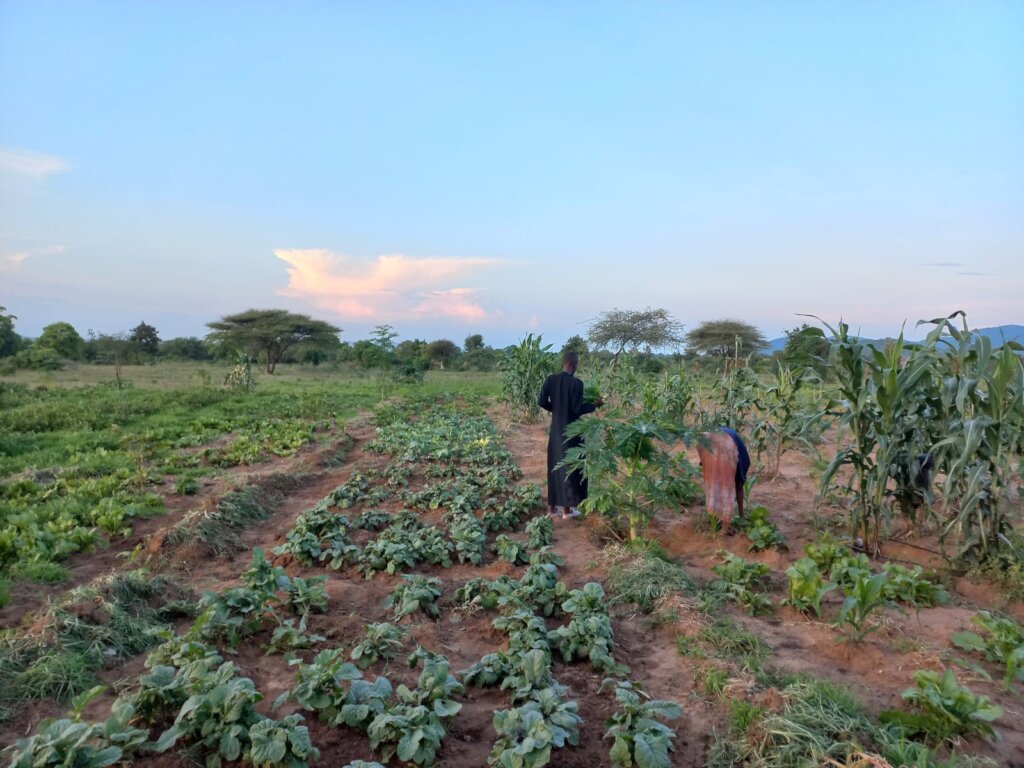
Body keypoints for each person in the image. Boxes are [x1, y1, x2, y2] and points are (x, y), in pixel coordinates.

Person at [537, 351, 601, 519]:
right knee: (570, 468)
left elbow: (541, 401)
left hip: (555, 432)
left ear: (563, 363)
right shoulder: (577, 383)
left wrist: (556, 410)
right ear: (573, 364)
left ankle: (552, 509)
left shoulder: (551, 380)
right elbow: (576, 409)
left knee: (554, 467)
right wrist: (594, 405)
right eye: (577, 364)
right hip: (572, 432)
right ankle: (567, 511)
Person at [696, 427, 750, 533]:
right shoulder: (744, 459)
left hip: (706, 440)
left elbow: (698, 443)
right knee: (727, 487)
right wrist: (741, 515)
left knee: (711, 484)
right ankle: (725, 528)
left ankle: (713, 520)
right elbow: (739, 485)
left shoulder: (710, 433)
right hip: (728, 445)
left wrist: (703, 460)